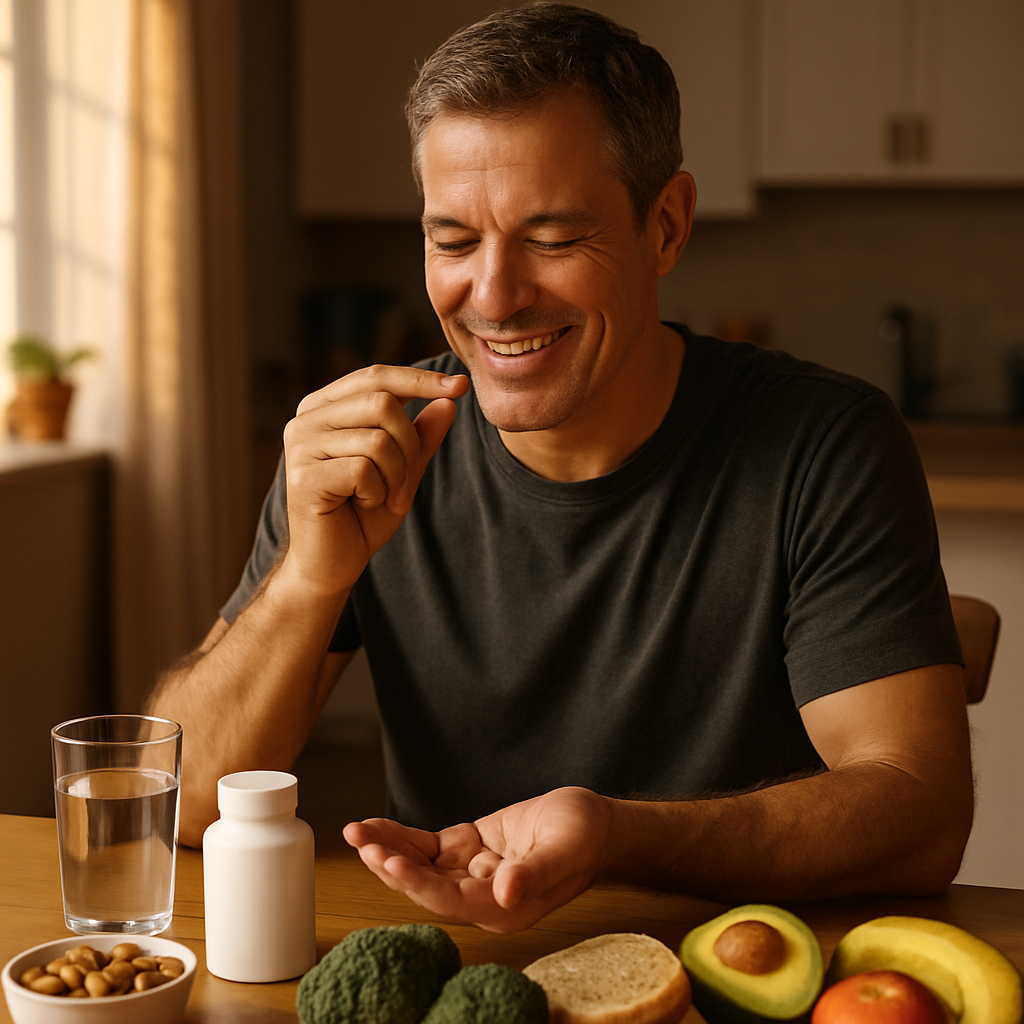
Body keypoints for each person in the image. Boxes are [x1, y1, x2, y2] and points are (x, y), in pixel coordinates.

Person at [147, 2, 973, 933]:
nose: (493, 298)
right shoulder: (368, 442)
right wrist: (308, 580)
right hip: (460, 974)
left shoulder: (826, 444)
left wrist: (617, 835)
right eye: (453, 240)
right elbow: (186, 804)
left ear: (666, 225)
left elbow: (921, 817)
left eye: (552, 237)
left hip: (732, 970)